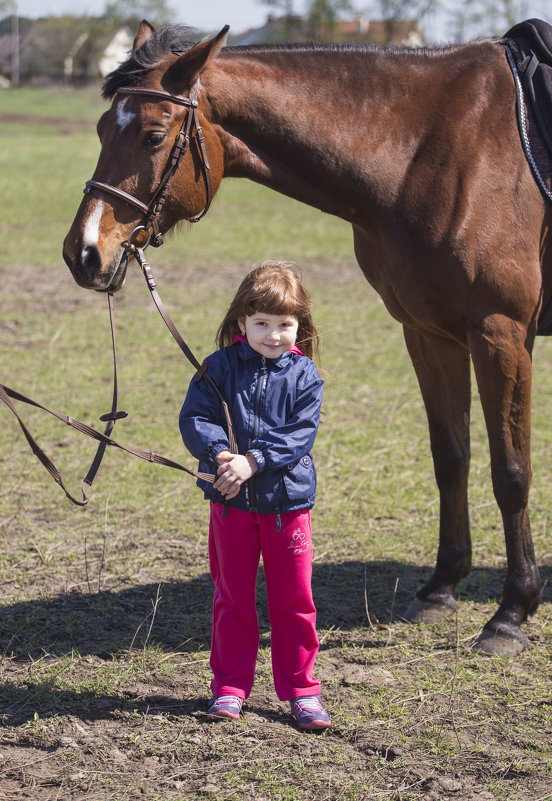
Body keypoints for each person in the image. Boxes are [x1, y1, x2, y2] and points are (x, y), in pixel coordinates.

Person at [179, 261, 330, 730]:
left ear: (299, 325)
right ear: (241, 321)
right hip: (231, 504)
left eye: (284, 324)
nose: (273, 334)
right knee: (232, 598)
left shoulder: (307, 377)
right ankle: (228, 688)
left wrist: (254, 461)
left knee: (294, 601)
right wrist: (221, 453)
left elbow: (298, 436)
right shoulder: (218, 367)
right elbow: (195, 418)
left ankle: (302, 690)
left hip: (288, 507)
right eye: (261, 323)